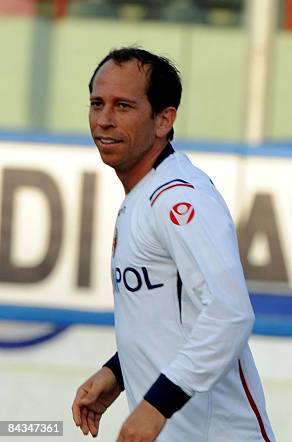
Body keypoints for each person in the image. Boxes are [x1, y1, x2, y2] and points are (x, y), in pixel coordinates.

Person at [71, 47, 275, 442]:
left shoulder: (181, 198)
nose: (104, 119)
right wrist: (117, 372)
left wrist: (156, 404)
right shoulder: (142, 195)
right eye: (97, 103)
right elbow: (175, 318)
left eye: (123, 106)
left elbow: (230, 314)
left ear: (164, 119)